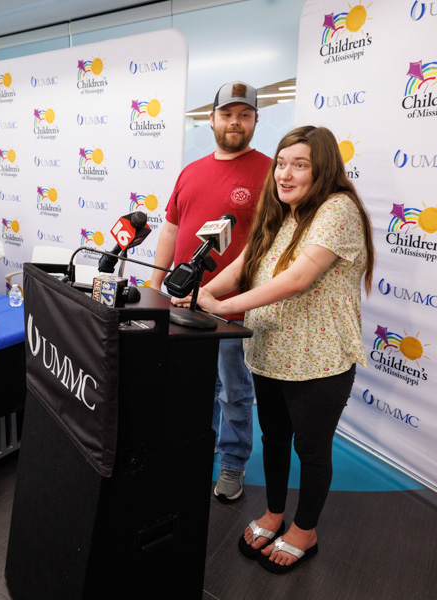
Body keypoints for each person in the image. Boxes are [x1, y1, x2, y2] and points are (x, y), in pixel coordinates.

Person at [175, 125, 375, 573]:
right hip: (270, 352)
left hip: (318, 362)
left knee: (312, 449)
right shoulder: (285, 214)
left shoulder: (337, 209)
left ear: (322, 168)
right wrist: (197, 292)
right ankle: (274, 513)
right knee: (275, 439)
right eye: (281, 164)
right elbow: (245, 265)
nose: (285, 174)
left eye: (299, 165)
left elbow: (298, 278)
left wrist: (221, 306)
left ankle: (305, 530)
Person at [151, 81, 272, 502]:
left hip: (228, 308)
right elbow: (170, 229)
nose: (234, 122)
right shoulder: (190, 170)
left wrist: (216, 294)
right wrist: (154, 288)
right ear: (212, 119)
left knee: (233, 391)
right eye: (227, 114)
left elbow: (266, 244)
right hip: (178, 302)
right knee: (186, 388)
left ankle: (232, 465)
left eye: (244, 115)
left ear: (256, 120)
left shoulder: (270, 172)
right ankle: (190, 455)